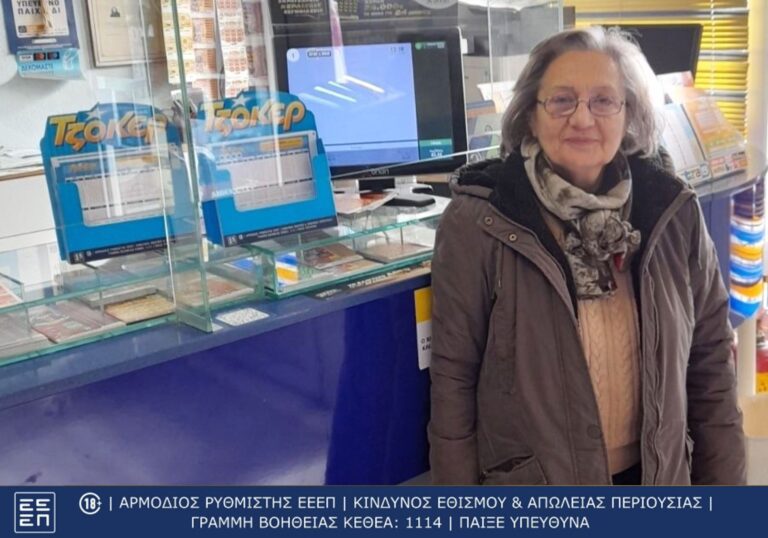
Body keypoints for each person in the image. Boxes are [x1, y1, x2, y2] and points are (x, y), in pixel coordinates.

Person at [428, 26, 746, 485]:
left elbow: (711, 365)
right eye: (562, 100)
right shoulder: (479, 220)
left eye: (603, 101)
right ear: (530, 115)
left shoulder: (673, 212)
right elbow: (453, 384)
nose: (582, 118)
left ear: (628, 114)